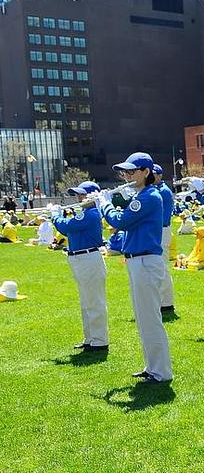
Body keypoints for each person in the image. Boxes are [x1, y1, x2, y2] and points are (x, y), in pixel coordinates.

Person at [94, 153, 173, 383]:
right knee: (143, 318)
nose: (127, 176)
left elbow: (120, 221)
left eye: (132, 172)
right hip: (138, 260)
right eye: (125, 172)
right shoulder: (142, 195)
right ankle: (152, 367)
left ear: (146, 172)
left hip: (145, 261)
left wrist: (105, 204)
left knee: (150, 318)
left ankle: (161, 372)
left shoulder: (149, 196)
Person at [50, 181, 109, 352]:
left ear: (91, 196)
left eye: (82, 194)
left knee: (94, 301)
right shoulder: (84, 213)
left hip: (88, 258)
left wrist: (55, 214)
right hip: (81, 259)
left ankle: (99, 340)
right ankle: (90, 338)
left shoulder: (90, 213)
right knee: (86, 302)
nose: (78, 197)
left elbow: (65, 227)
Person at [151, 164, 176, 314]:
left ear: (160, 175)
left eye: (154, 174)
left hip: (162, 229)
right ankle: (162, 300)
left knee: (162, 266)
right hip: (159, 229)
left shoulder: (163, 191)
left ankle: (166, 302)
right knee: (158, 265)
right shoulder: (156, 190)